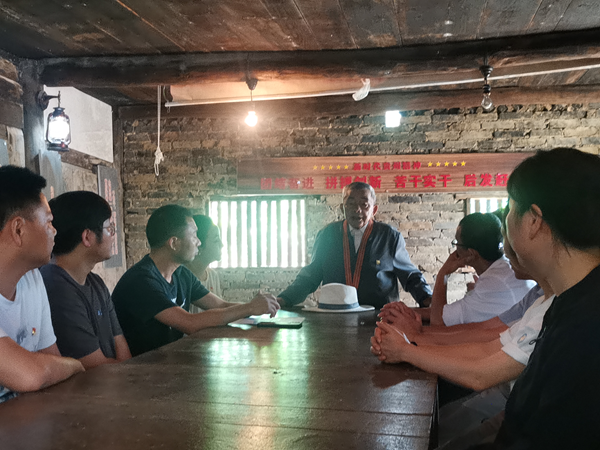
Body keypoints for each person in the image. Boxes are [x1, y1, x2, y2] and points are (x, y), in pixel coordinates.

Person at [372, 235, 552, 448]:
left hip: (514, 404)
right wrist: (413, 339)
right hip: (507, 393)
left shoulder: (503, 282)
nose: (507, 251)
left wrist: (408, 347)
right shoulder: (540, 297)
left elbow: (481, 366)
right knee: (435, 423)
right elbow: (488, 341)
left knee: (429, 428)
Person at [487, 148, 600, 449]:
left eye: (510, 208)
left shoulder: (585, 327)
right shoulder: (570, 300)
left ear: (534, 220)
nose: (507, 221)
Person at [112, 204, 280, 356]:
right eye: (193, 235)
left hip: (167, 364)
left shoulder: (181, 274)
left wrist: (256, 308)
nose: (198, 242)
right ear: (174, 243)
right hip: (138, 371)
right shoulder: (141, 281)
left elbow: (220, 305)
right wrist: (249, 307)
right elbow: (189, 323)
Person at [0, 165, 84, 403]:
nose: (54, 231)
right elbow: (31, 375)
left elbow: (51, 360)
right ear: (18, 229)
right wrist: (76, 365)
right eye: (48, 222)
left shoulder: (33, 280)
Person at [277, 181, 432, 309]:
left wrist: (427, 299)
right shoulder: (327, 235)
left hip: (380, 317)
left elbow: (410, 275)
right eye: (350, 204)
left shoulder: (389, 236)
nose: (357, 210)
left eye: (364, 204)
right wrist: (284, 299)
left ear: (374, 209)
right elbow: (311, 275)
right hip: (335, 317)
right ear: (342, 208)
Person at [40, 191, 132, 369]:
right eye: (109, 229)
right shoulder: (56, 286)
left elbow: (123, 352)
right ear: (87, 237)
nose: (113, 235)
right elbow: (95, 368)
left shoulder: (96, 283)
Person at [423, 213, 535, 326]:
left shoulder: (494, 283)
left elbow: (438, 320)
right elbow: (446, 313)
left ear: (471, 253)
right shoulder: (503, 269)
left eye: (457, 243)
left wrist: (443, 274)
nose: (455, 250)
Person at [185, 215, 223, 313]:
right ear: (199, 244)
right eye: (216, 240)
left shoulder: (213, 276)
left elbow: (221, 309)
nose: (222, 245)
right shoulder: (181, 278)